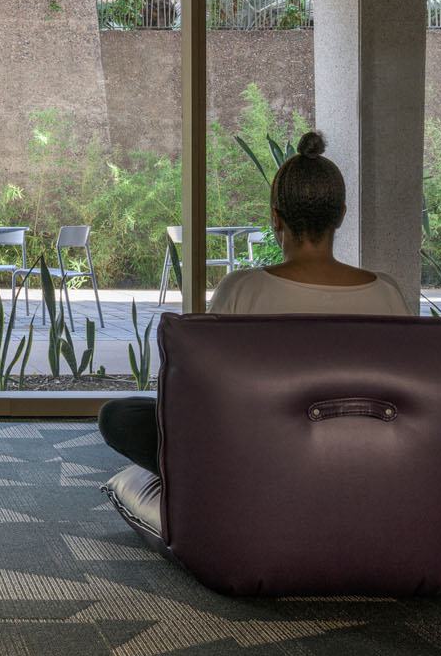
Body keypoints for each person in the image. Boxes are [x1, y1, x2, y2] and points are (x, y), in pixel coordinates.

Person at [98, 131, 411, 472]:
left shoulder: (242, 289)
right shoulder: (387, 293)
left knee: (121, 415)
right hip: (361, 452)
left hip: (256, 458)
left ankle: (203, 489)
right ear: (340, 215)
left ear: (276, 217)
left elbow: (205, 391)